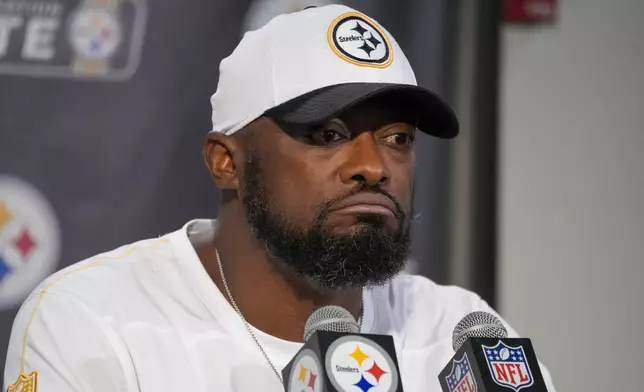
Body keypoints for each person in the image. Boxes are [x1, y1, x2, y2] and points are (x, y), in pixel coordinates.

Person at [4, 4, 556, 392]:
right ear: (227, 162)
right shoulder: (94, 323)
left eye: (398, 139)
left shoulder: (459, 332)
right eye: (329, 135)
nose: (373, 168)